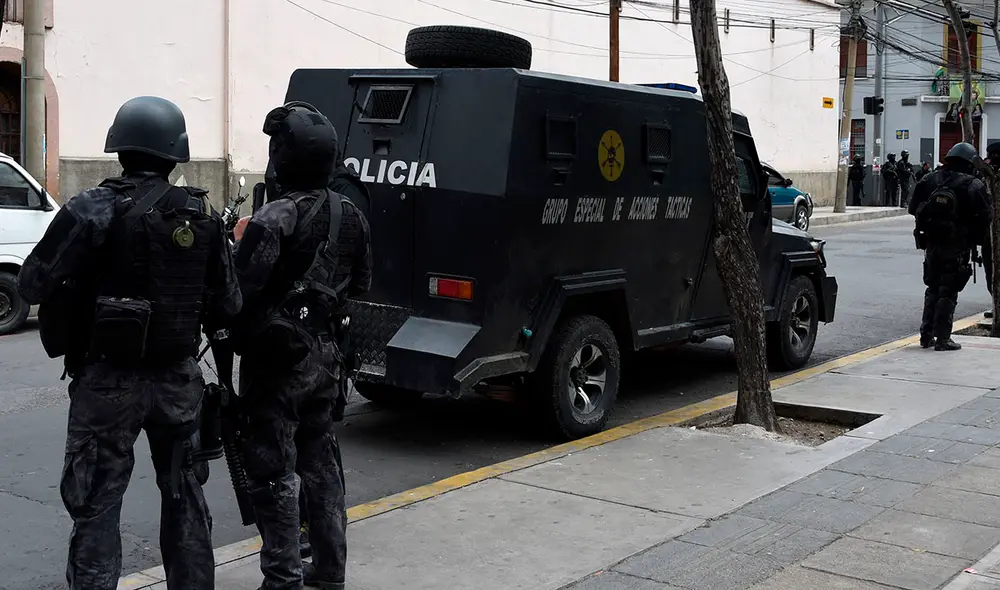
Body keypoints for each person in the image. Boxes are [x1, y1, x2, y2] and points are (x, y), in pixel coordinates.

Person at [15, 96, 242, 589]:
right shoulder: (200, 215)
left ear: (119, 148)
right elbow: (229, 306)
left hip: (107, 384)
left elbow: (33, 283)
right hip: (179, 385)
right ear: (174, 153)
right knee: (185, 503)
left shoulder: (92, 208)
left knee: (97, 510)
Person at [232, 101, 372, 590]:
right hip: (328, 358)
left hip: (279, 363)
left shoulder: (276, 215)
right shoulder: (351, 214)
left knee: (273, 470)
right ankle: (330, 570)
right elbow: (361, 284)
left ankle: (282, 578)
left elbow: (239, 289)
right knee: (321, 463)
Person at [909, 142, 993, 351]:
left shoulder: (930, 179)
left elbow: (913, 207)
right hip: (957, 245)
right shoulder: (973, 184)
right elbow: (986, 217)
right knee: (948, 291)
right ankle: (943, 339)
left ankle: (926, 335)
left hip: (932, 244)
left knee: (932, 288)